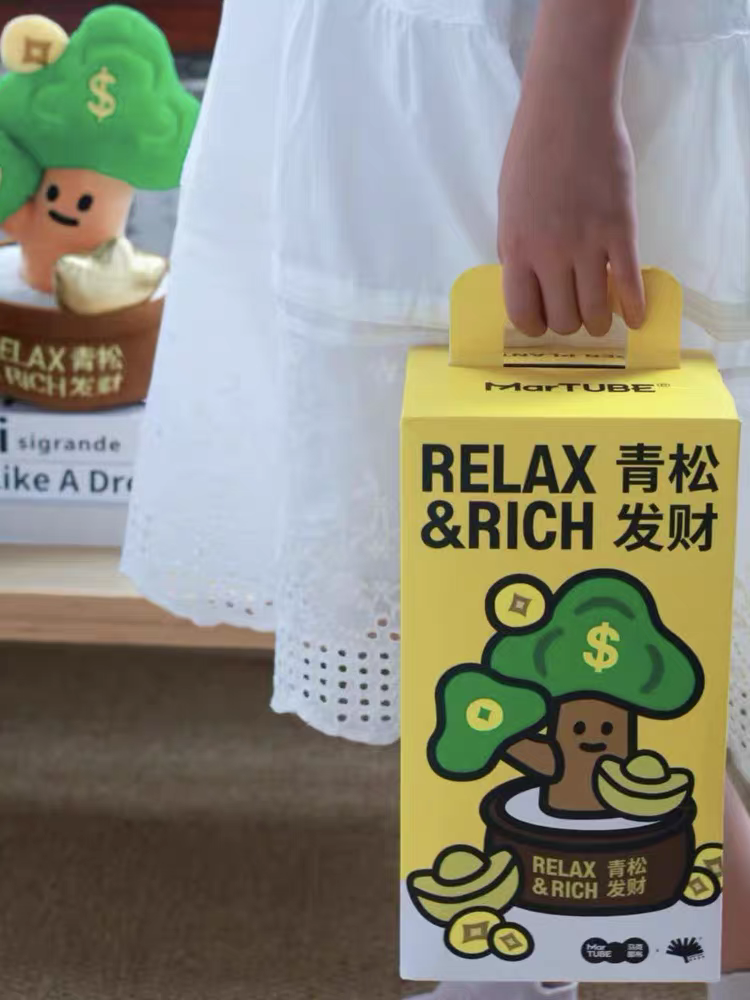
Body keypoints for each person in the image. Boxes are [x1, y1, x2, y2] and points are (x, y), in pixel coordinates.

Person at [122, 1, 750, 997]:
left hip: (532, 47)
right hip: (384, 57)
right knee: (450, 522)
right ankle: (517, 965)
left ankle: (715, 924)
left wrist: (573, 85)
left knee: (576, 488)